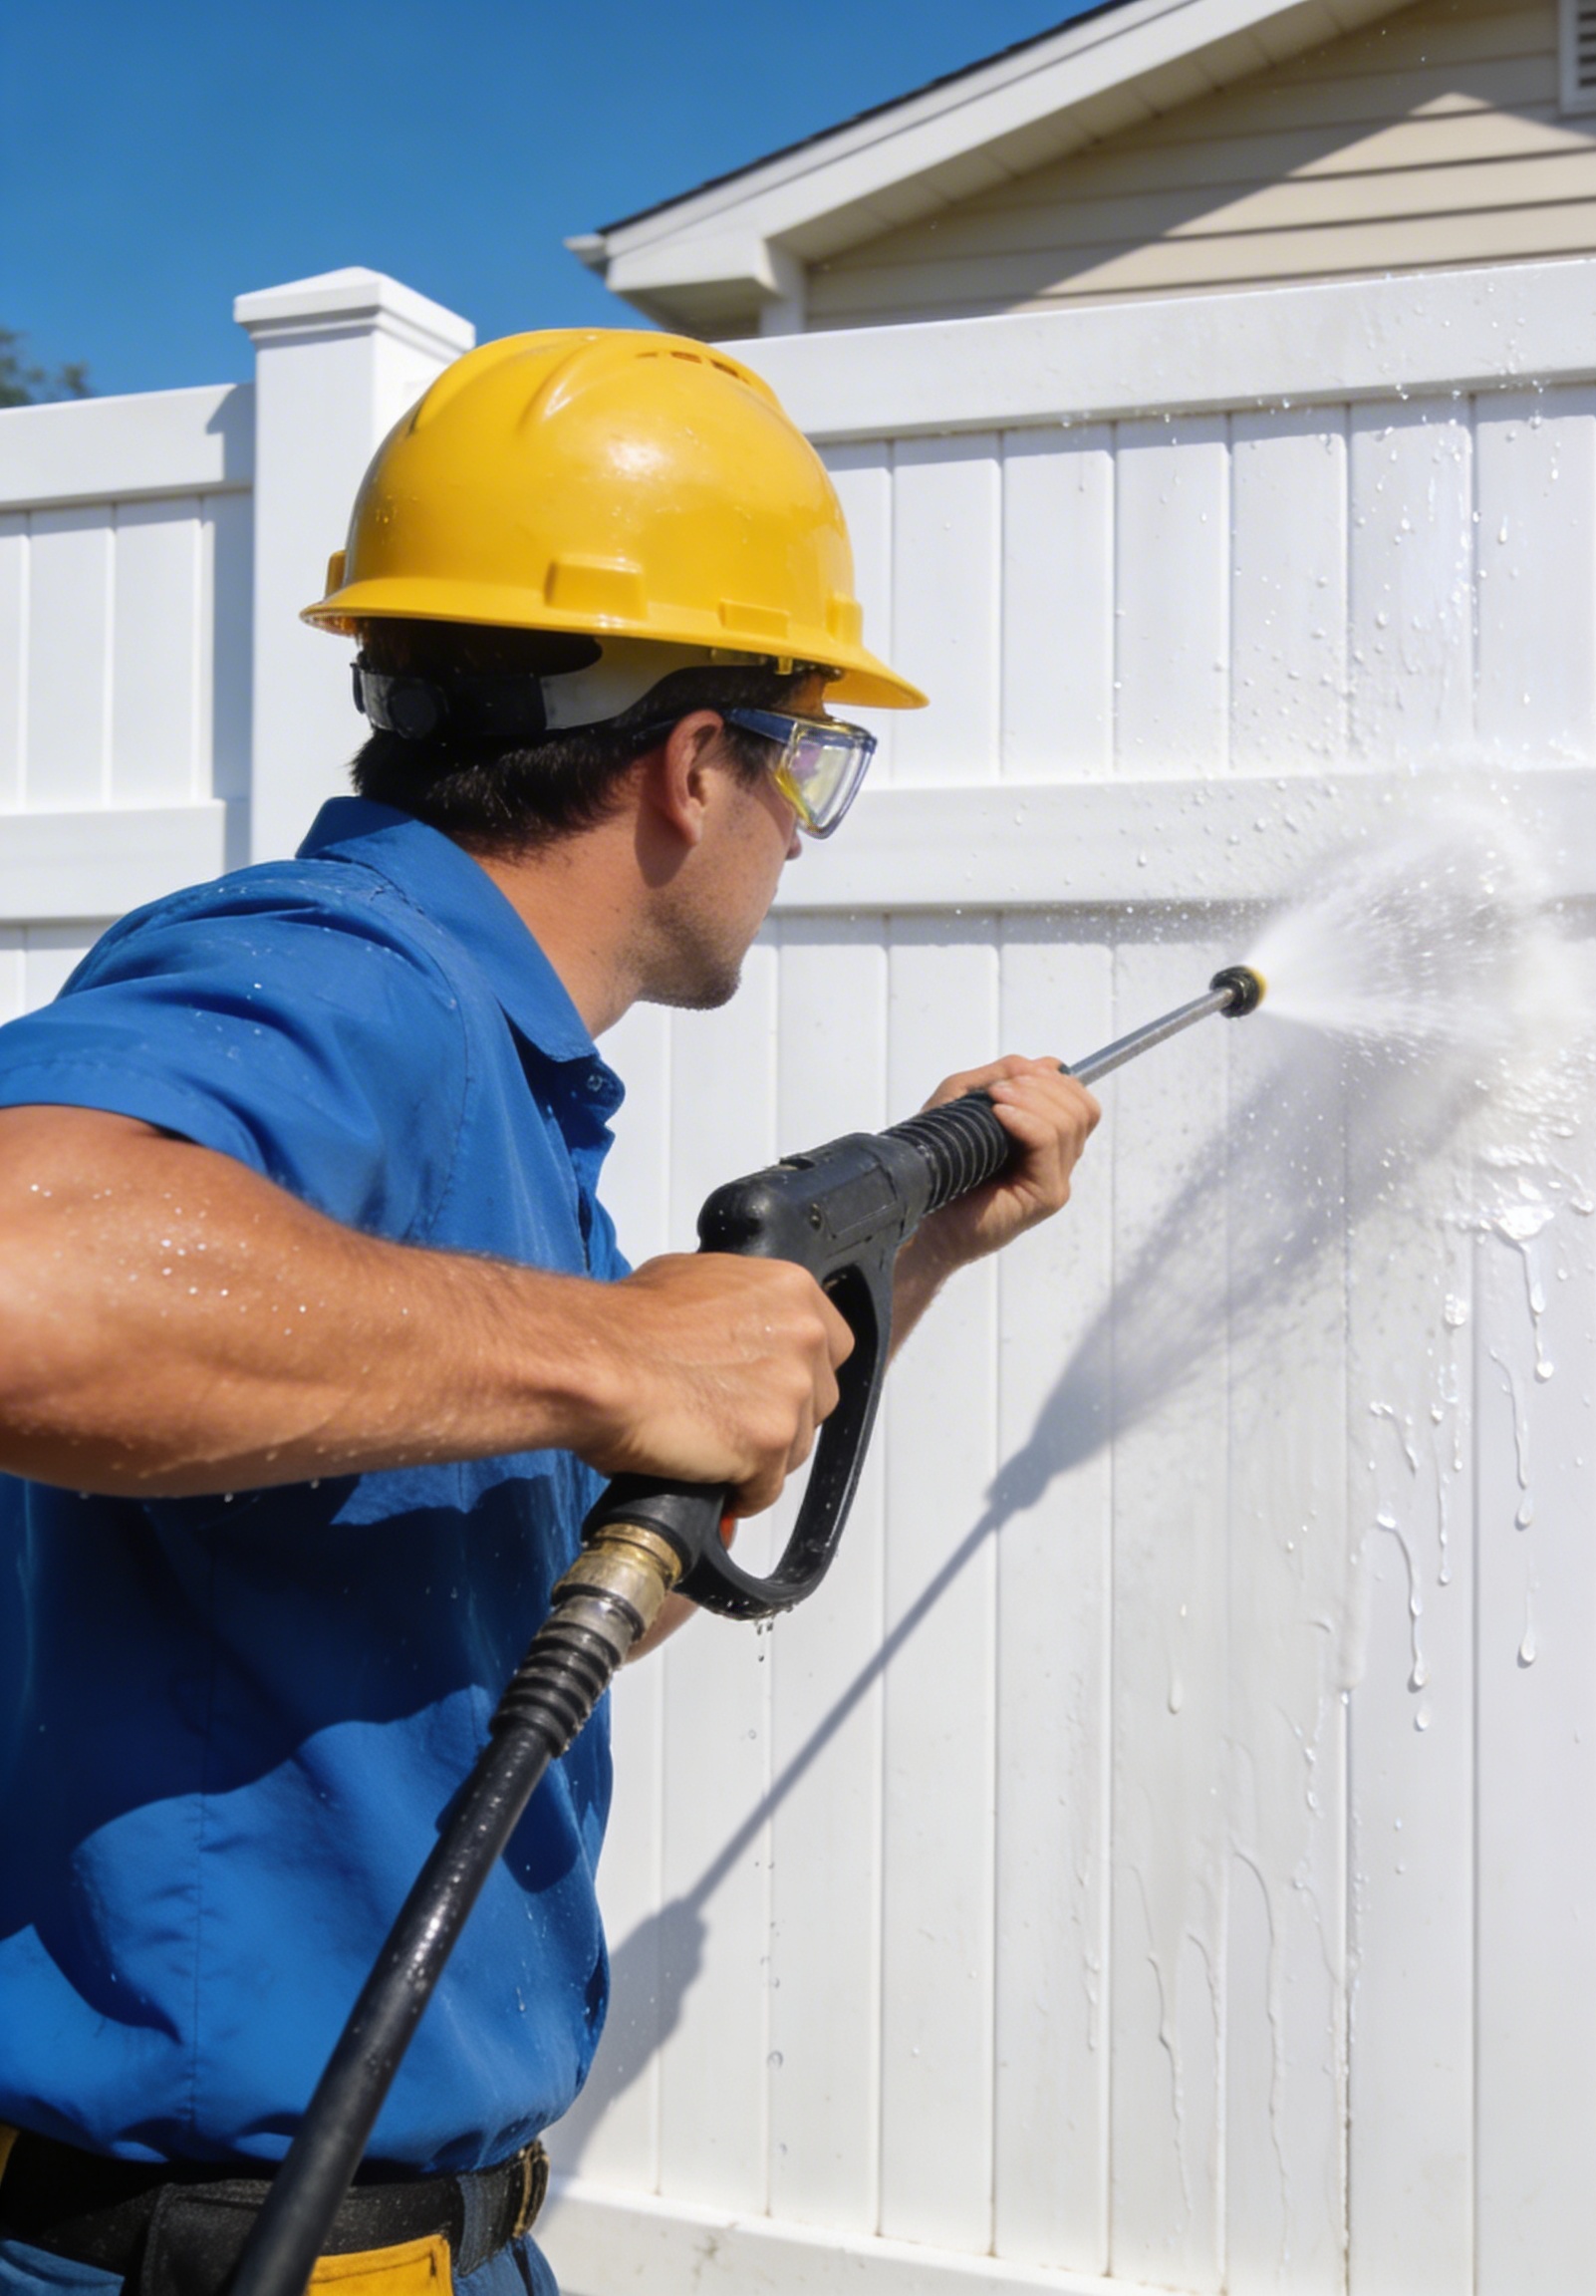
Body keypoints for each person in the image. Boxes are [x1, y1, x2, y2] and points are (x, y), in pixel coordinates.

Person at [0, 330, 1099, 2296]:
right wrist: (615, 1352)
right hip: (197, 2254)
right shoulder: (350, 990)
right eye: (809, 763)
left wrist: (909, 1255)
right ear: (696, 767)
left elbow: (543, 1618)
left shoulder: (476, 1085)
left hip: (405, 2241)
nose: (796, 826)